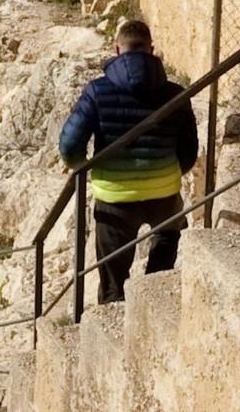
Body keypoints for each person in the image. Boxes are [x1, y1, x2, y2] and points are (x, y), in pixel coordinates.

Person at [56, 19, 199, 305]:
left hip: (114, 196)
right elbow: (189, 149)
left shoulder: (97, 91)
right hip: (164, 192)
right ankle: (153, 300)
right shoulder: (176, 93)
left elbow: (70, 145)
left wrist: (87, 167)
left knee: (113, 278)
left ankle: (114, 320)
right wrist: (169, 173)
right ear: (151, 49)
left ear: (117, 49)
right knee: (166, 245)